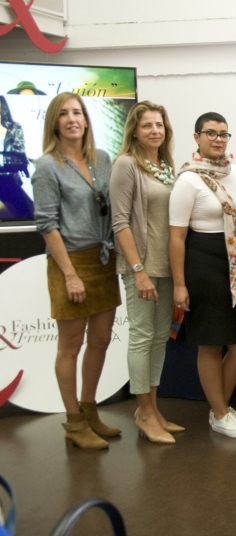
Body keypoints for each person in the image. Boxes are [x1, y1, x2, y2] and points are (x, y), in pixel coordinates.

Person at [31, 92, 121, 449]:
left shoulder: (102, 158)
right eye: (64, 114)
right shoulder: (47, 166)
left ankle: (89, 411)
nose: (72, 119)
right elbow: (46, 224)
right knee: (70, 346)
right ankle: (73, 422)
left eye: (77, 112)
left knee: (100, 340)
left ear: (86, 119)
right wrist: (69, 274)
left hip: (103, 259)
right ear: (54, 123)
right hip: (69, 262)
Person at [169, 112, 236, 439]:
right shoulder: (188, 180)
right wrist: (180, 284)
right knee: (210, 343)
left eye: (223, 133)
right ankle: (220, 413)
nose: (218, 139)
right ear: (197, 137)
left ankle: (220, 407)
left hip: (234, 263)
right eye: (210, 133)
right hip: (202, 264)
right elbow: (176, 237)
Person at [110, 101, 180, 444]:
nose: (155, 130)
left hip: (167, 268)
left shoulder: (166, 166)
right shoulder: (126, 164)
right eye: (147, 125)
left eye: (159, 125)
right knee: (141, 337)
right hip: (141, 267)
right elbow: (120, 222)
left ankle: (151, 409)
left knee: (158, 338)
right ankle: (145, 413)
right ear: (134, 131)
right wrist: (138, 270)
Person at [0, 95, 34, 218]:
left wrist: (1, 160)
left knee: (27, 214)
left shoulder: (15, 128)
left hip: (9, 179)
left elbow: (20, 157)